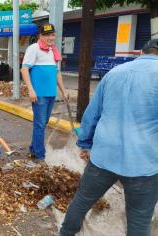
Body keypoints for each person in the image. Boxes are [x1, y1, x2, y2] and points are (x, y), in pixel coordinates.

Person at [59, 39, 158, 236]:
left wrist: (86, 145)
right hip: (143, 164)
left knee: (82, 200)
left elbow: (92, 115)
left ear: (140, 52)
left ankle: (66, 233)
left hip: (103, 157)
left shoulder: (114, 73)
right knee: (139, 218)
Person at [21, 23, 67, 162]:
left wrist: (63, 91)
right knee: (40, 124)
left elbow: (57, 72)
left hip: (51, 94)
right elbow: (24, 69)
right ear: (40, 36)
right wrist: (31, 90)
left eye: (52, 34)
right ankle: (40, 156)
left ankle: (34, 149)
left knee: (42, 124)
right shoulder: (33, 49)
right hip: (39, 94)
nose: (50, 37)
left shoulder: (54, 50)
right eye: (46, 35)